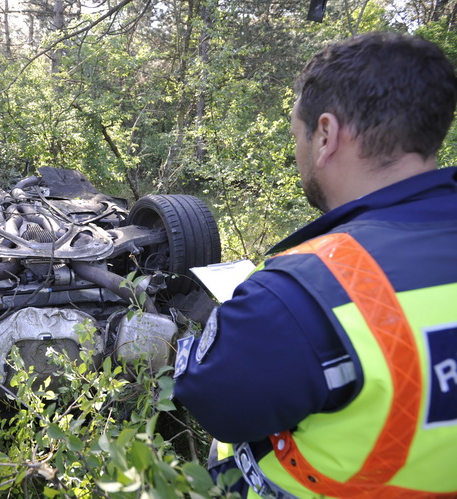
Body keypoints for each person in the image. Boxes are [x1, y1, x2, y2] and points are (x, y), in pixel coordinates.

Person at [173, 31, 457, 498]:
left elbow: (213, 403)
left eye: (297, 134)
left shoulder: (300, 294)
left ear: (325, 135)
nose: (299, 151)